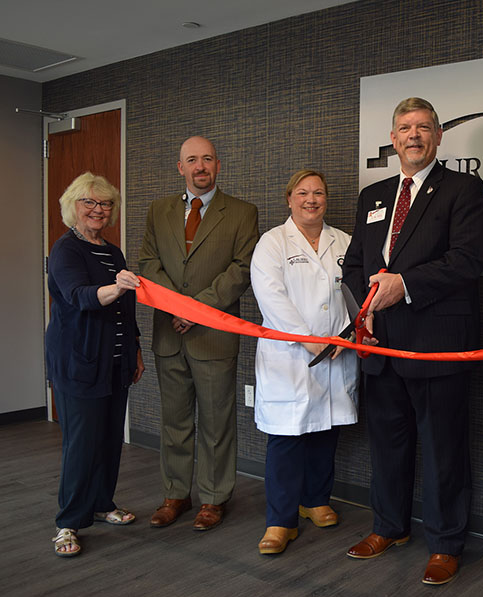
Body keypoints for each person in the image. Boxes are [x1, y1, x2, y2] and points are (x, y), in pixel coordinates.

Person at [342, 97, 483, 585]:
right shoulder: (374, 194)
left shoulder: (463, 189)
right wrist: (364, 305)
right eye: (405, 128)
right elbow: (355, 264)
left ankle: (446, 543)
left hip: (435, 343)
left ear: (439, 135)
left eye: (423, 127)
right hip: (381, 346)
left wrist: (402, 285)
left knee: (443, 448)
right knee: (387, 444)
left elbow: (467, 260)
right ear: (392, 138)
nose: (413, 135)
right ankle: (389, 526)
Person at [139, 136, 259, 531]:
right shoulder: (158, 211)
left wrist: (197, 308)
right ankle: (175, 494)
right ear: (180, 167)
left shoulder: (242, 212)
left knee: (216, 422)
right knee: (174, 421)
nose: (200, 166)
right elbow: (147, 264)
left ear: (218, 165)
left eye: (207, 159)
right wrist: (177, 306)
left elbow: (241, 270)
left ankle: (213, 498)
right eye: (192, 160)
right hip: (169, 335)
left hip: (213, 334)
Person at [250, 170, 357, 554]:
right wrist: (310, 342)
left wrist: (348, 336)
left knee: (325, 431)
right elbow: (271, 297)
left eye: (319, 193)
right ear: (289, 198)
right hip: (291, 356)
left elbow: (356, 293)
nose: (311, 199)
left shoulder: (344, 241)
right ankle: (280, 520)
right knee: (287, 438)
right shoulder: (272, 243)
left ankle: (315, 500)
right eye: (303, 193)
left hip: (337, 352)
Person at [46, 172, 144, 557]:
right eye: (89, 202)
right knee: (81, 444)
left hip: (114, 359)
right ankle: (67, 522)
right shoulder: (65, 250)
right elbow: (79, 295)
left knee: (108, 439)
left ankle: (103, 504)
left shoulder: (113, 251)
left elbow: (126, 306)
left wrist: (134, 348)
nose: (98, 210)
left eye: (105, 204)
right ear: (73, 207)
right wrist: (118, 287)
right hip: (78, 361)